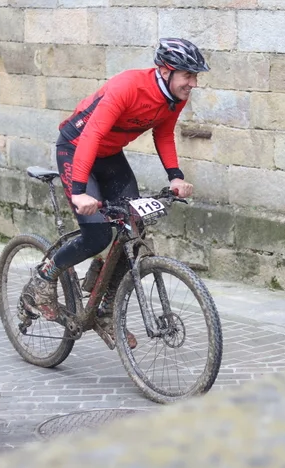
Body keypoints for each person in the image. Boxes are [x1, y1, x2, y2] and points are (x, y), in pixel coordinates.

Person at [21, 38, 208, 344]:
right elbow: (91, 135)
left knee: (133, 230)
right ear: (165, 71)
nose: (194, 83)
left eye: (195, 76)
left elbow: (164, 133)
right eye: (188, 75)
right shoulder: (128, 87)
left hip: (109, 155)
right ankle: (45, 275)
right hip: (76, 148)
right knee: (97, 236)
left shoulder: (175, 97)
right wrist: (79, 192)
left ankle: (105, 309)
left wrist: (175, 176)